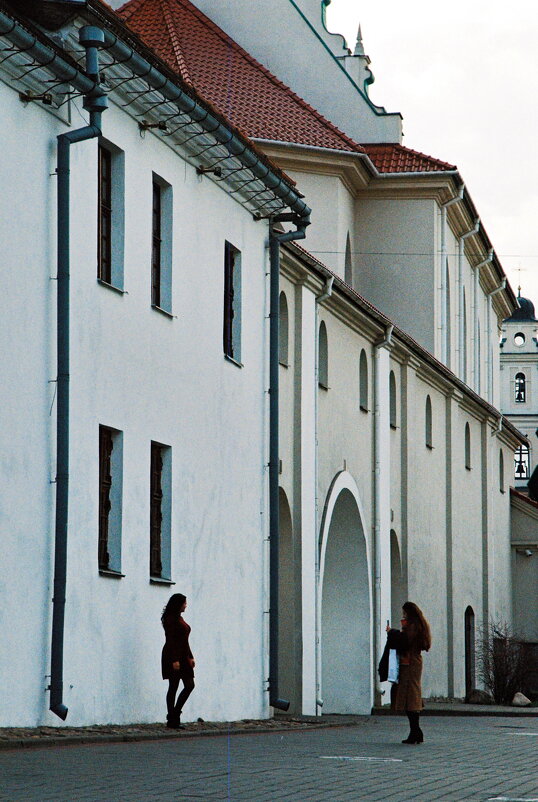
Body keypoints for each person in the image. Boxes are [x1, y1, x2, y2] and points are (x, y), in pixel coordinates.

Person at [385, 601, 431, 744]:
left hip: (410, 663)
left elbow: (405, 642)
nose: (403, 615)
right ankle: (415, 732)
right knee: (411, 694)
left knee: (411, 695)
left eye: (405, 613)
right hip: (412, 662)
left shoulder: (413, 626)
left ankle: (416, 732)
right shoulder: (419, 625)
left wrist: (392, 632)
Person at [161, 593, 195, 728]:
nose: (186, 605)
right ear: (178, 604)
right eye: (184, 603)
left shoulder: (179, 619)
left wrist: (190, 656)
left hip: (183, 656)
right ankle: (173, 720)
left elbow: (185, 641)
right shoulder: (170, 619)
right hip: (173, 656)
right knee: (173, 686)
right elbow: (171, 641)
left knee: (189, 685)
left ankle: (174, 714)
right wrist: (174, 660)